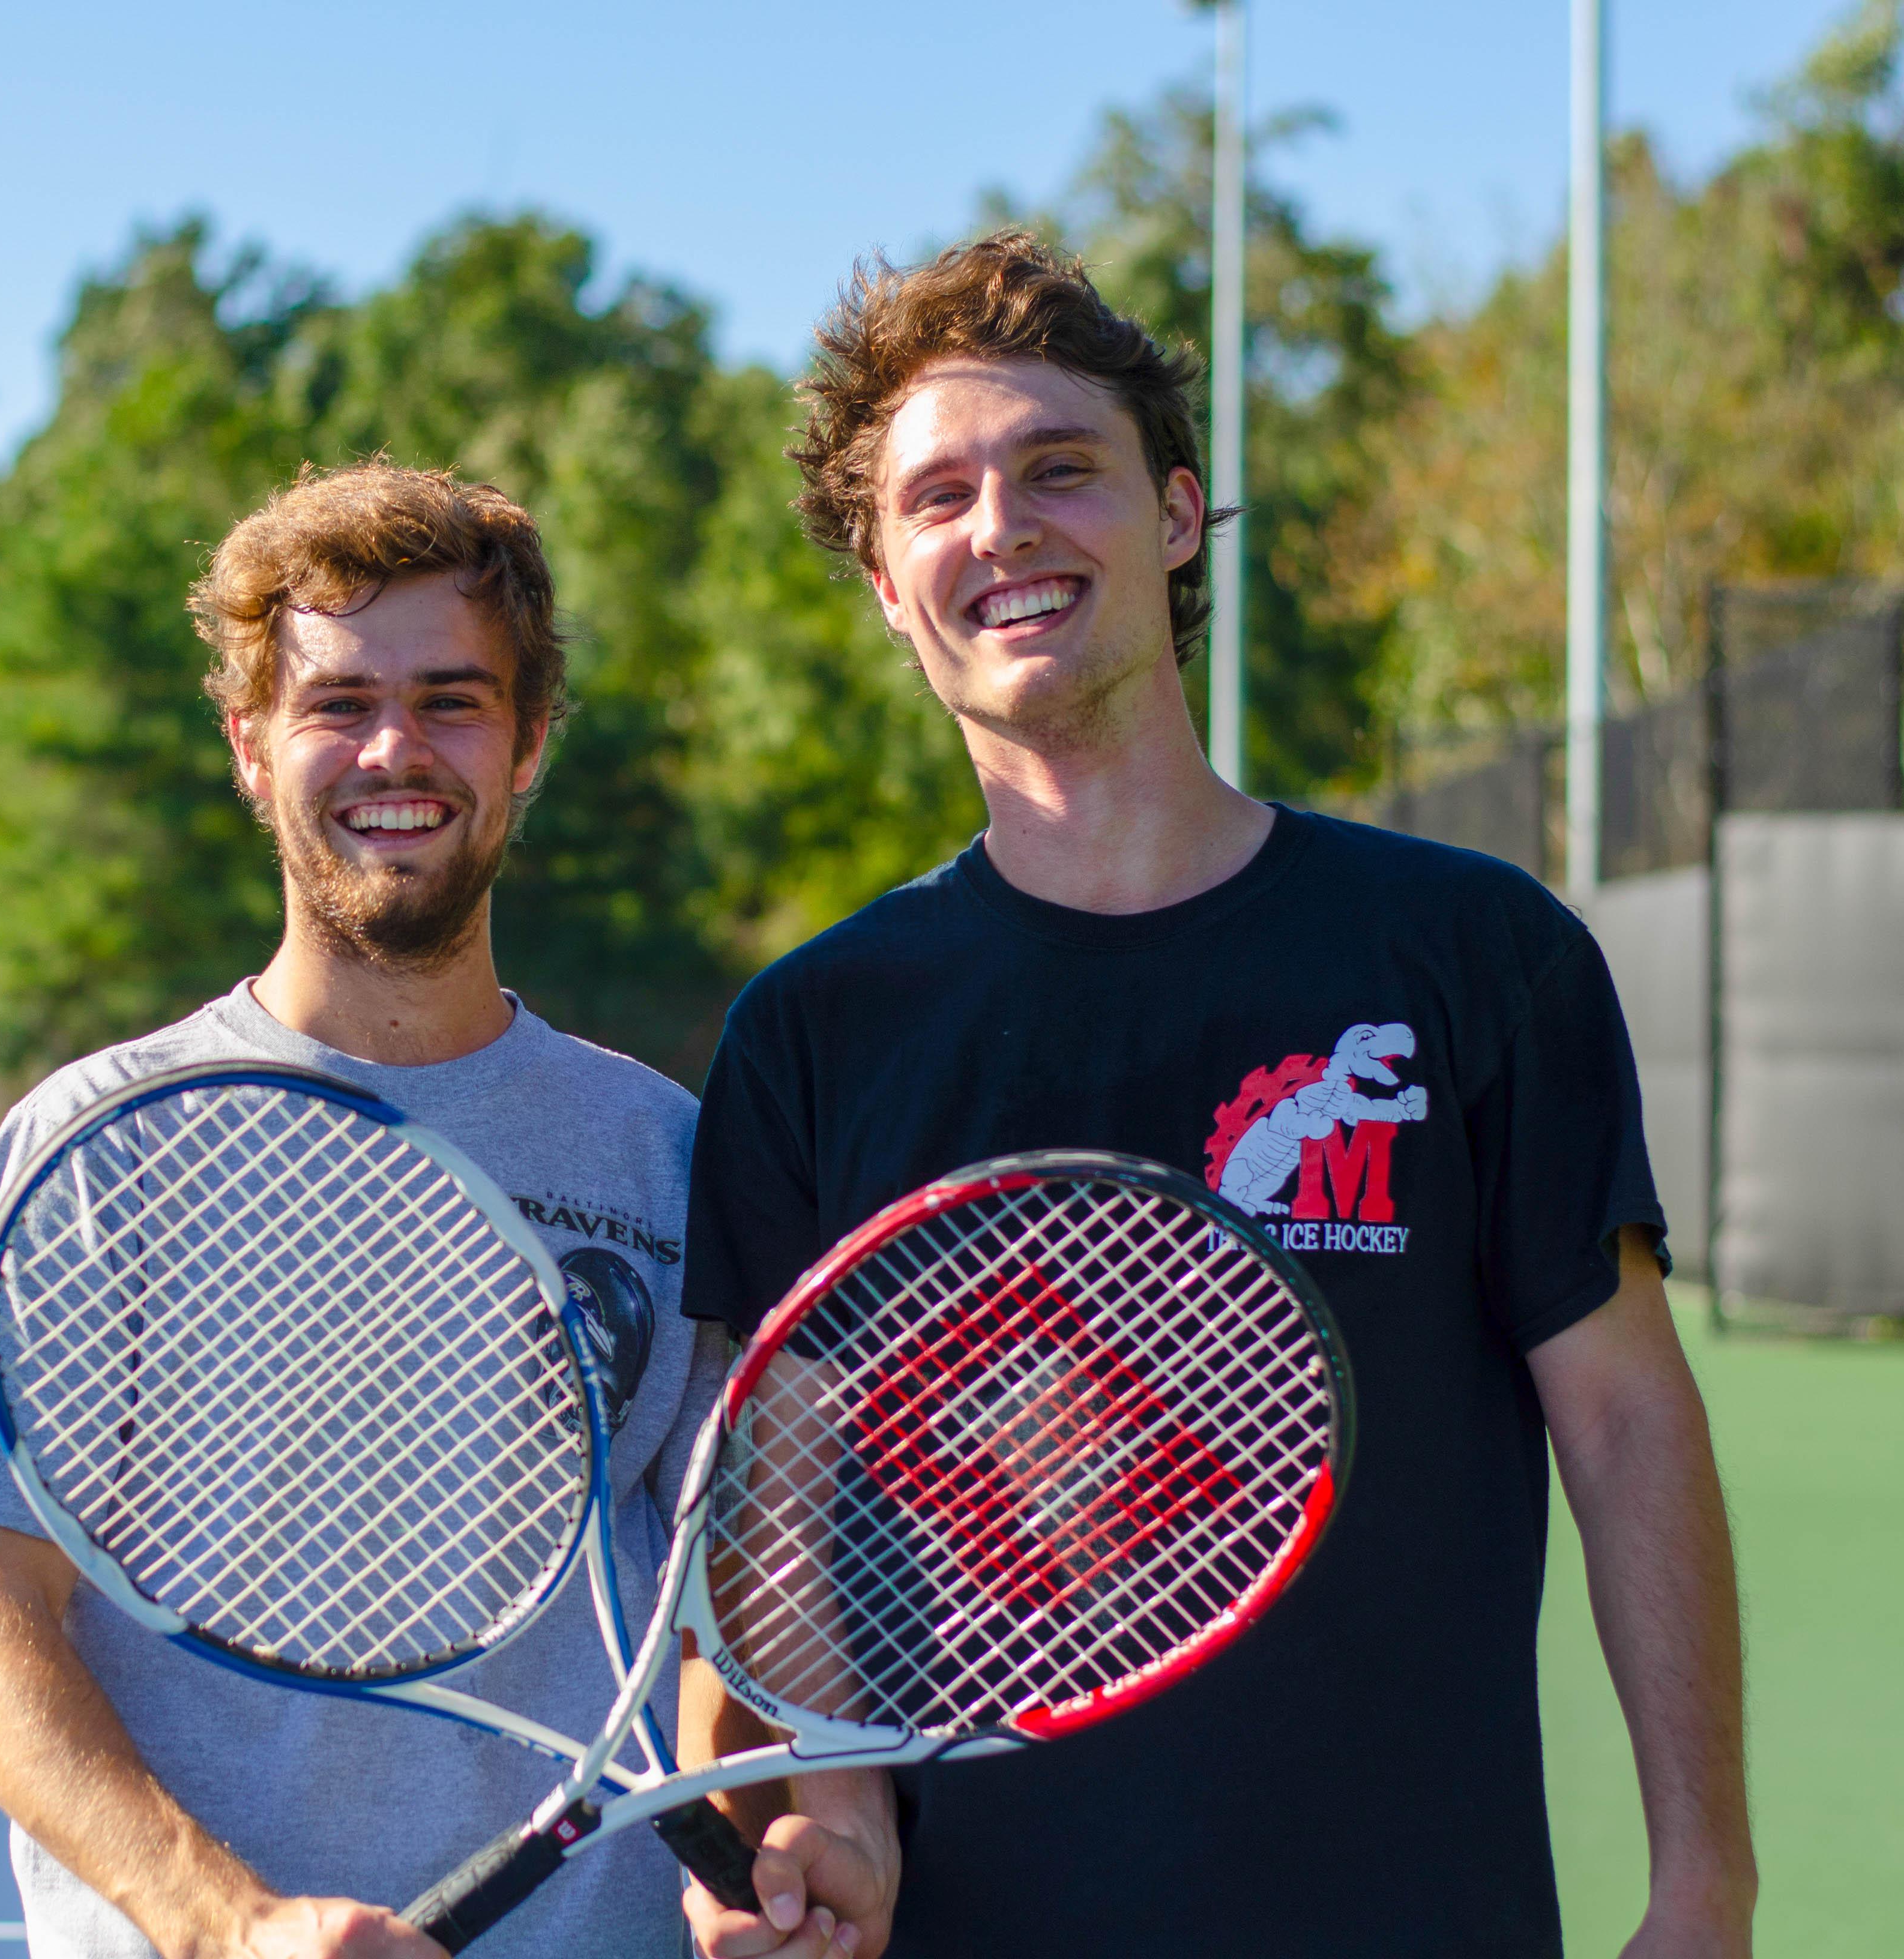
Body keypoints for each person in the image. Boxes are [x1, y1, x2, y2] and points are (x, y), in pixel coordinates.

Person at [675, 235, 1754, 1959]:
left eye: (1060, 469)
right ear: (887, 583)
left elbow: (1626, 1425)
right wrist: (840, 1822)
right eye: (937, 497)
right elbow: (771, 1522)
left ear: (1176, 517)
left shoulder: (1476, 955)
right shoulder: (816, 1032)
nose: (1003, 528)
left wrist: (1707, 1886)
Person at [0, 461, 725, 1959]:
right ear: (252, 750)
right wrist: (226, 1925)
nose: (394, 750)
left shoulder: (661, 1150)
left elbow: (730, 1598)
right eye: (338, 704)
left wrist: (773, 1852)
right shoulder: (94, 1148)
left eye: (453, 700)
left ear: (527, 742)